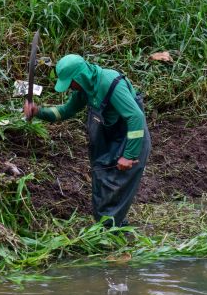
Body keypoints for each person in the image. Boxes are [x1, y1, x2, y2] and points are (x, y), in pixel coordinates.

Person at [24, 54, 151, 227]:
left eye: (70, 83)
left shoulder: (110, 82)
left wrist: (129, 155)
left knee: (119, 180)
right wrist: (38, 111)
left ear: (80, 77)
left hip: (130, 133)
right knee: (101, 175)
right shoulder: (83, 90)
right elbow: (65, 111)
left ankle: (111, 229)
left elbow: (135, 117)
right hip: (109, 133)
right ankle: (111, 225)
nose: (70, 88)